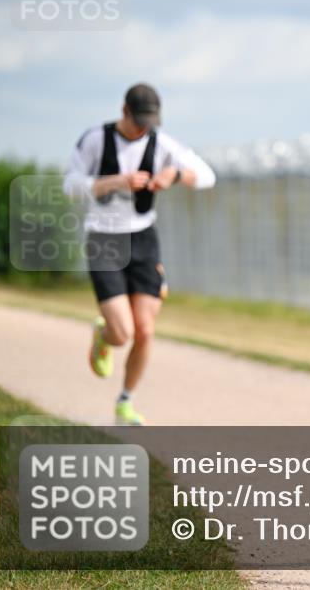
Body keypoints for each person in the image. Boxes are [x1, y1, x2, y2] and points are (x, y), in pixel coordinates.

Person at [63, 83, 216, 425]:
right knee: (123, 333)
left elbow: (207, 176)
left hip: (144, 240)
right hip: (104, 239)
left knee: (145, 330)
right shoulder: (95, 139)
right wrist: (115, 182)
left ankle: (125, 402)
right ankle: (104, 336)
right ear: (124, 112)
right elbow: (70, 185)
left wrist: (173, 174)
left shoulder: (161, 143)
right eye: (138, 121)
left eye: (150, 121)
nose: (144, 128)